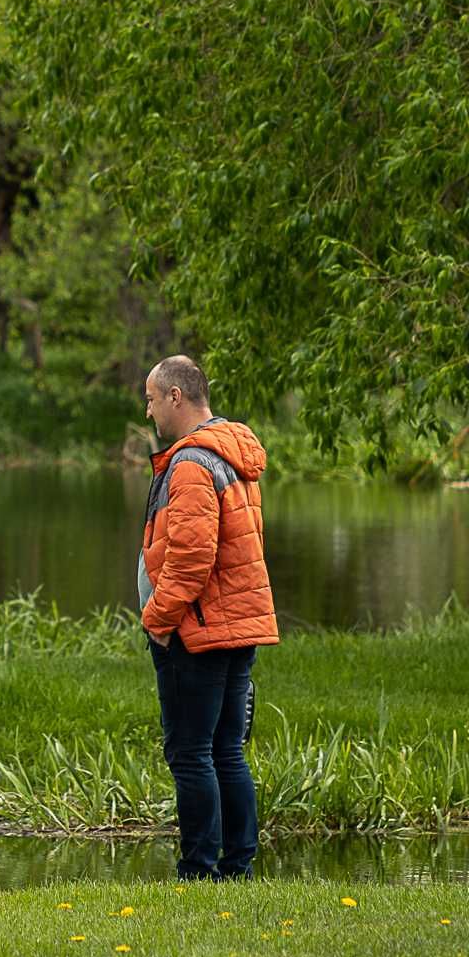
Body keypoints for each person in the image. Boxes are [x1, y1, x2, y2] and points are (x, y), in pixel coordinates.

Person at [139, 354, 278, 882]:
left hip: (196, 630)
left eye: (152, 399)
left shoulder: (194, 463)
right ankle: (237, 867)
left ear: (176, 397)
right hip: (236, 623)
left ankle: (199, 869)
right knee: (225, 748)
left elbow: (192, 559)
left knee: (191, 751)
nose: (149, 411)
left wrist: (158, 617)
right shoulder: (233, 455)